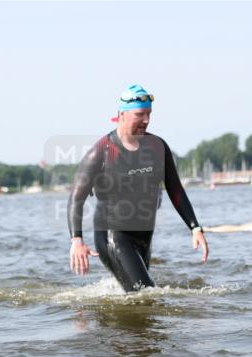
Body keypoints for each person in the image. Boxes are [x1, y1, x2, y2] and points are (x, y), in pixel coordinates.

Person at [67, 84, 207, 292]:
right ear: (121, 115)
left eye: (149, 114)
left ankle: (107, 322)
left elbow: (175, 190)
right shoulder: (102, 151)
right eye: (140, 114)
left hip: (144, 237)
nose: (146, 120)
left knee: (140, 302)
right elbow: (76, 198)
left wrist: (195, 228)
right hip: (113, 236)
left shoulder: (157, 147)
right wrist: (77, 240)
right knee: (146, 293)